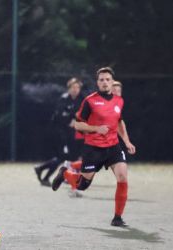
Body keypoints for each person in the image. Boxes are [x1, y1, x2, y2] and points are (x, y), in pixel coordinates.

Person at [51, 67, 136, 227]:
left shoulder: (119, 101)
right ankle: (65, 174)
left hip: (113, 147)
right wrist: (96, 129)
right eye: (101, 80)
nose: (105, 82)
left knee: (123, 177)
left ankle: (117, 217)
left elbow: (119, 122)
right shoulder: (90, 101)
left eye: (107, 79)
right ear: (97, 83)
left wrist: (127, 141)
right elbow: (77, 124)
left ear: (112, 82)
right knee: (82, 185)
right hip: (94, 148)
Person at [34, 77, 84, 186]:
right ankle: (45, 173)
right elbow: (60, 116)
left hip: (70, 133)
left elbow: (80, 115)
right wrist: (69, 120)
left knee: (68, 157)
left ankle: (42, 170)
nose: (75, 89)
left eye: (77, 87)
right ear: (69, 89)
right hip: (59, 132)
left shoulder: (80, 100)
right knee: (64, 157)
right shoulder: (64, 99)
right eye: (73, 87)